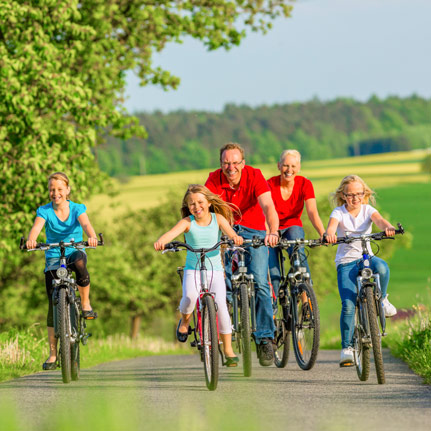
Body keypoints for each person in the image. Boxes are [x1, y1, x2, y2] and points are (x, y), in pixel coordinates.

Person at [205, 142, 280, 366]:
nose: (231, 167)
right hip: (226, 230)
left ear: (243, 163)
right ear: (221, 164)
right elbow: (206, 209)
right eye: (226, 162)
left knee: (261, 282)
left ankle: (265, 338)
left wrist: (273, 231)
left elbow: (268, 206)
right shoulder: (213, 179)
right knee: (222, 280)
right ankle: (224, 324)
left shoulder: (255, 175)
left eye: (235, 162)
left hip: (254, 230)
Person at [154, 184, 243, 367]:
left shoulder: (218, 219)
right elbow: (170, 234)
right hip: (193, 270)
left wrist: (236, 238)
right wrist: (161, 242)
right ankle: (185, 321)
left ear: (209, 202)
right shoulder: (188, 222)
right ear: (188, 207)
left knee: (221, 307)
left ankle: (227, 349)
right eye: (192, 204)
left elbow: (231, 234)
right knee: (189, 297)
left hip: (215, 270)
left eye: (200, 202)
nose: (196, 207)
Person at [26, 172, 99, 370]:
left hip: (74, 251)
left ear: (67, 190)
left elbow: (86, 224)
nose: (55, 193)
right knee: (52, 304)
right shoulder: (44, 211)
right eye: (52, 189)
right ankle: (52, 355)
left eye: (59, 189)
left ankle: (85, 304)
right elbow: (36, 228)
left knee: (80, 264)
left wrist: (92, 237)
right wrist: (31, 240)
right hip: (53, 257)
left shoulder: (77, 208)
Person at [325, 174, 397, 367]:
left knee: (382, 266)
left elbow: (380, 221)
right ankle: (347, 348)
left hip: (367, 258)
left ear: (364, 194)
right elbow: (331, 227)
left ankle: (382, 300)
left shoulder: (368, 210)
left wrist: (388, 227)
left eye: (359, 194)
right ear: (343, 196)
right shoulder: (338, 212)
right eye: (350, 195)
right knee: (348, 305)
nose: (355, 198)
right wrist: (330, 234)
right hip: (346, 262)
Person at [267, 149, 325, 308]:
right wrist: (269, 233)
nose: (289, 170)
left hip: (292, 226)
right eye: (285, 165)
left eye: (293, 166)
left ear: (298, 167)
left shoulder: (305, 184)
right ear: (279, 166)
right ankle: (272, 313)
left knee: (298, 249)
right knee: (273, 273)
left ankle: (306, 300)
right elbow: (263, 211)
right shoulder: (269, 184)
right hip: (272, 228)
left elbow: (312, 212)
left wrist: (323, 233)